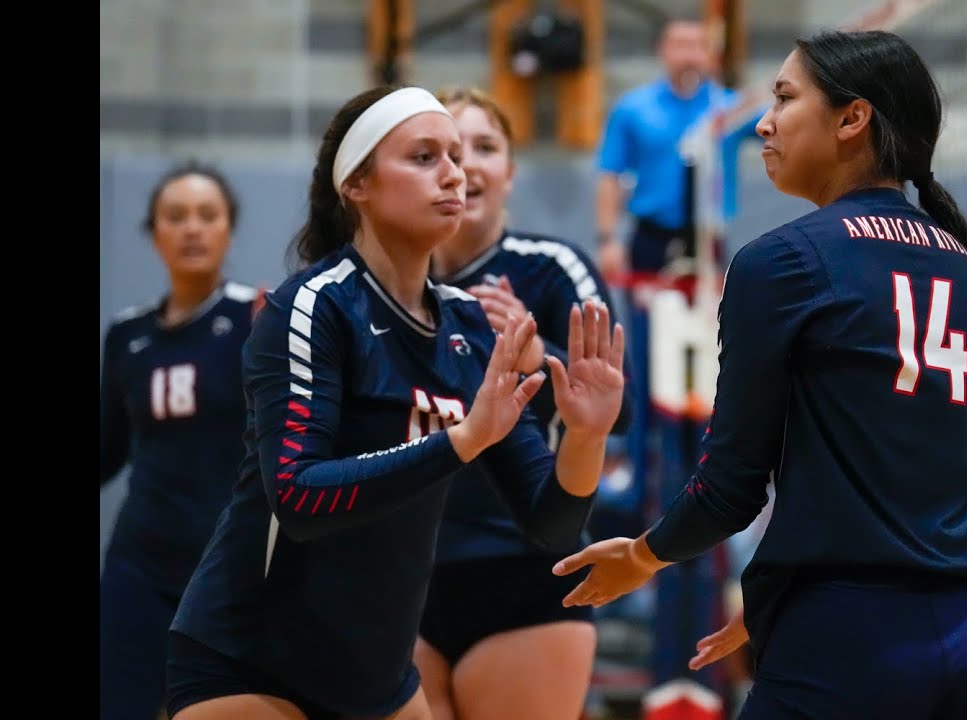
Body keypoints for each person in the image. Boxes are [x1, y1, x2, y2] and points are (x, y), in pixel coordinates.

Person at [555, 29, 967, 719]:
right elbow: (901, 483)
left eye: (785, 98)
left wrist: (640, 559)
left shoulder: (782, 263)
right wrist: (770, 602)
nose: (762, 121)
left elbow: (728, 489)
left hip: (845, 642)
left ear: (853, 120)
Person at [164, 85, 626, 720]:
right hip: (254, 655)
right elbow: (298, 497)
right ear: (357, 184)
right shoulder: (312, 306)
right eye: (424, 157)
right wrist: (461, 441)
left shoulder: (468, 326)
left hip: (374, 674)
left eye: (459, 157)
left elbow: (551, 521)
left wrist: (585, 436)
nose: (454, 175)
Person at [412, 85, 631, 720]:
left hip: (524, 571)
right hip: (403, 571)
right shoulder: (390, 283)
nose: (468, 164)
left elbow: (626, 406)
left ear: (509, 171)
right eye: (448, 149)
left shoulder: (553, 267)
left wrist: (541, 359)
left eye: (486, 147)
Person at [594, 13, 761, 686]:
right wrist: (607, 236)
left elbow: (780, 116)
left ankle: (711, 478)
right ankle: (644, 485)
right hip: (652, 242)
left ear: (710, 52)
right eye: (679, 42)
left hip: (709, 243)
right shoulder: (635, 109)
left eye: (698, 43)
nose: (688, 52)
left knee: (710, 365)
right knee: (649, 367)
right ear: (665, 50)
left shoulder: (728, 109)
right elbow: (611, 174)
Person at [100, 161, 262, 720]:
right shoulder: (127, 335)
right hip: (139, 563)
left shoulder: (258, 319)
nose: (192, 228)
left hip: (227, 566)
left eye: (206, 215)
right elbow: (107, 449)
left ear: (229, 229)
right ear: (154, 234)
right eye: (175, 216)